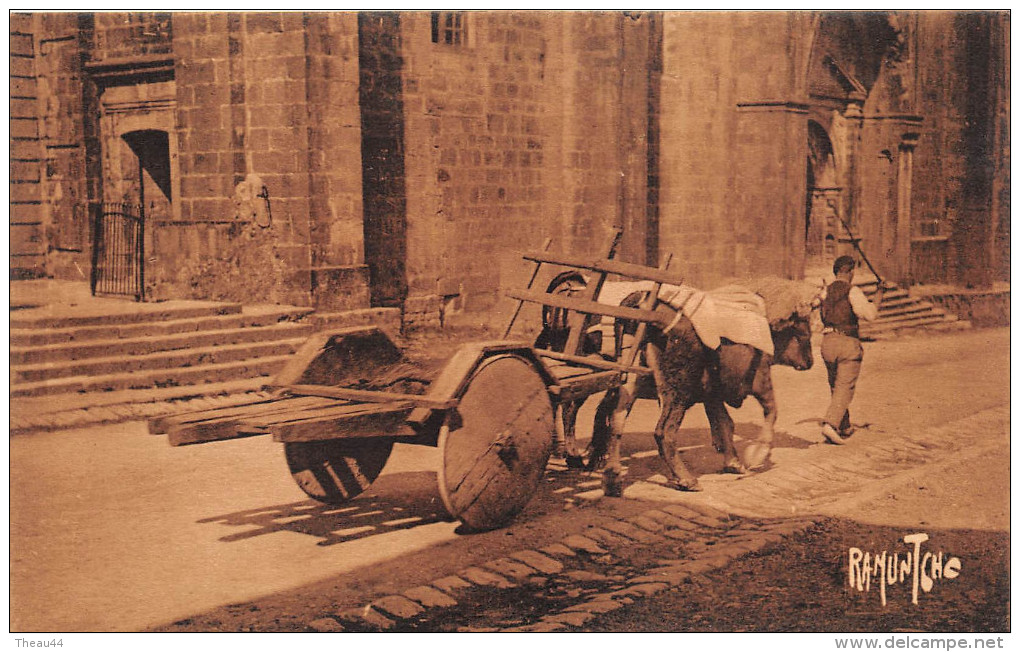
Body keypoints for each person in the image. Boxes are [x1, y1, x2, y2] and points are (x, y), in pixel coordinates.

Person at [818, 255, 888, 445]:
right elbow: (870, 315)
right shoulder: (852, 291)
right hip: (847, 342)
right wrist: (879, 293)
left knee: (836, 385)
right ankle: (831, 425)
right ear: (849, 272)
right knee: (845, 386)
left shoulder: (825, 292)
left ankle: (844, 426)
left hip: (827, 342)